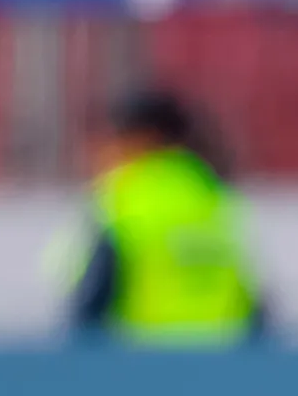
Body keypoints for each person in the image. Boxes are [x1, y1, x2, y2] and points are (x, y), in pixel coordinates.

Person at [63, 90, 266, 345]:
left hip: (141, 360)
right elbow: (253, 306)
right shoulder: (214, 198)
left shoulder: (122, 200)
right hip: (220, 361)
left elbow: (88, 308)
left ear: (140, 139)